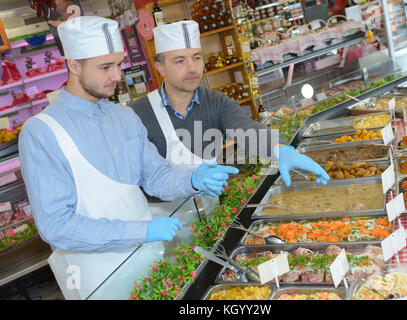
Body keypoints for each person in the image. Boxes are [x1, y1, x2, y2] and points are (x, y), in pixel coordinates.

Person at [18, 16, 238, 300]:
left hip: (151, 263)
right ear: (73, 65)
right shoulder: (42, 132)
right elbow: (56, 225)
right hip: (97, 278)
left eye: (118, 64)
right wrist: (140, 230)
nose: (117, 76)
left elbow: (156, 177)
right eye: (105, 67)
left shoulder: (123, 115)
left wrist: (193, 178)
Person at [129, 20, 330, 217]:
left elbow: (246, 128)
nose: (192, 68)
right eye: (180, 60)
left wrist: (281, 150)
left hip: (210, 215)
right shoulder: (136, 114)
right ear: (160, 67)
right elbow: (138, 178)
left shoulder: (216, 102)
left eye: (197, 57)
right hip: (163, 226)